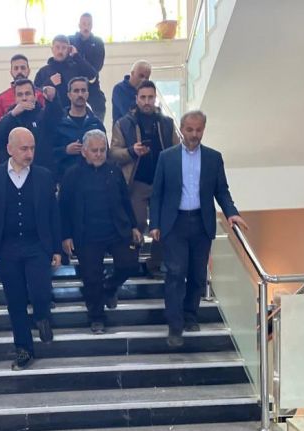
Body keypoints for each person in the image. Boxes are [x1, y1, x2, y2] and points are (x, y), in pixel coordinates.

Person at [149, 110, 248, 347]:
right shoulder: (167, 157)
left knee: (197, 274)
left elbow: (221, 191)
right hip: (174, 223)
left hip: (202, 223)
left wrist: (232, 212)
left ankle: (191, 316)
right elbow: (157, 193)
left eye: (199, 130)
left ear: (203, 129)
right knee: (175, 274)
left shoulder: (214, 158)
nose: (194, 134)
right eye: (189, 129)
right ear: (182, 129)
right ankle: (175, 326)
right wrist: (155, 224)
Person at [0, 128, 61, 371]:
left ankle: (42, 315)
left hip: (37, 244)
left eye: (32, 148)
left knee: (41, 292)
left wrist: (56, 248)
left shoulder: (44, 176)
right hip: (6, 247)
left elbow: (53, 214)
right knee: (15, 301)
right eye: (24, 148)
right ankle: (24, 348)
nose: (29, 153)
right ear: (9, 149)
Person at [59, 130, 141, 334]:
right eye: (94, 150)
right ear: (84, 152)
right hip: (86, 234)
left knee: (130, 264)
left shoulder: (114, 171)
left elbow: (125, 200)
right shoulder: (71, 175)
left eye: (102, 150)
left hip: (116, 230)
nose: (98, 154)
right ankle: (96, 317)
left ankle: (109, 287)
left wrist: (133, 226)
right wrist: (66, 235)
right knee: (91, 278)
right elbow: (63, 208)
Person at [110, 80, 179, 276]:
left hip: (162, 183)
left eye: (150, 97)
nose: (147, 101)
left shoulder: (167, 123)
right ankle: (131, 262)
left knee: (163, 224)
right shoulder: (123, 124)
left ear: (155, 98)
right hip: (136, 182)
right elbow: (113, 153)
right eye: (143, 97)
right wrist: (132, 151)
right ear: (136, 98)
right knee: (137, 222)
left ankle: (154, 264)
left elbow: (177, 150)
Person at [0, 78, 61, 170]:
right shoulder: (9, 118)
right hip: (14, 171)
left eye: (27, 94)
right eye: (20, 95)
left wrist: (53, 99)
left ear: (35, 96)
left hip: (40, 170)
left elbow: (56, 118)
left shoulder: (44, 116)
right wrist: (12, 115)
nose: (24, 98)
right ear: (15, 98)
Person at [53, 77, 105, 181]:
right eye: (76, 91)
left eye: (83, 90)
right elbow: (48, 152)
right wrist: (65, 150)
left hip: (93, 179)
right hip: (66, 179)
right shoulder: (58, 123)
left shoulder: (96, 123)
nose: (80, 94)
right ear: (69, 95)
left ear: (87, 94)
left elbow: (106, 152)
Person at [34, 35, 98, 110]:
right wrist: (49, 82)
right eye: (57, 47)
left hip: (73, 112)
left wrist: (76, 56)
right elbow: (35, 94)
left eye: (64, 48)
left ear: (68, 49)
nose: (60, 51)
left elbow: (92, 75)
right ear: (52, 49)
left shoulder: (76, 68)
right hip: (50, 113)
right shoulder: (43, 71)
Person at [69, 13, 106, 121]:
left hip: (93, 92)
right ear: (79, 25)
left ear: (92, 25)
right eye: (84, 23)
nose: (86, 27)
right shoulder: (71, 41)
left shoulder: (98, 43)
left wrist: (76, 56)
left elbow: (94, 72)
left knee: (96, 124)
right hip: (72, 91)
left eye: (89, 24)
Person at [0, 54, 46, 121]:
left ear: (28, 71)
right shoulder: (1, 98)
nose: (19, 71)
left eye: (23, 68)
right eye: (16, 68)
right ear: (11, 72)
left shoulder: (41, 94)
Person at [112, 60, 152, 125]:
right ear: (132, 73)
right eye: (141, 76)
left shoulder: (146, 91)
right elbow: (129, 113)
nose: (144, 80)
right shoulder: (119, 89)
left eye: (147, 78)